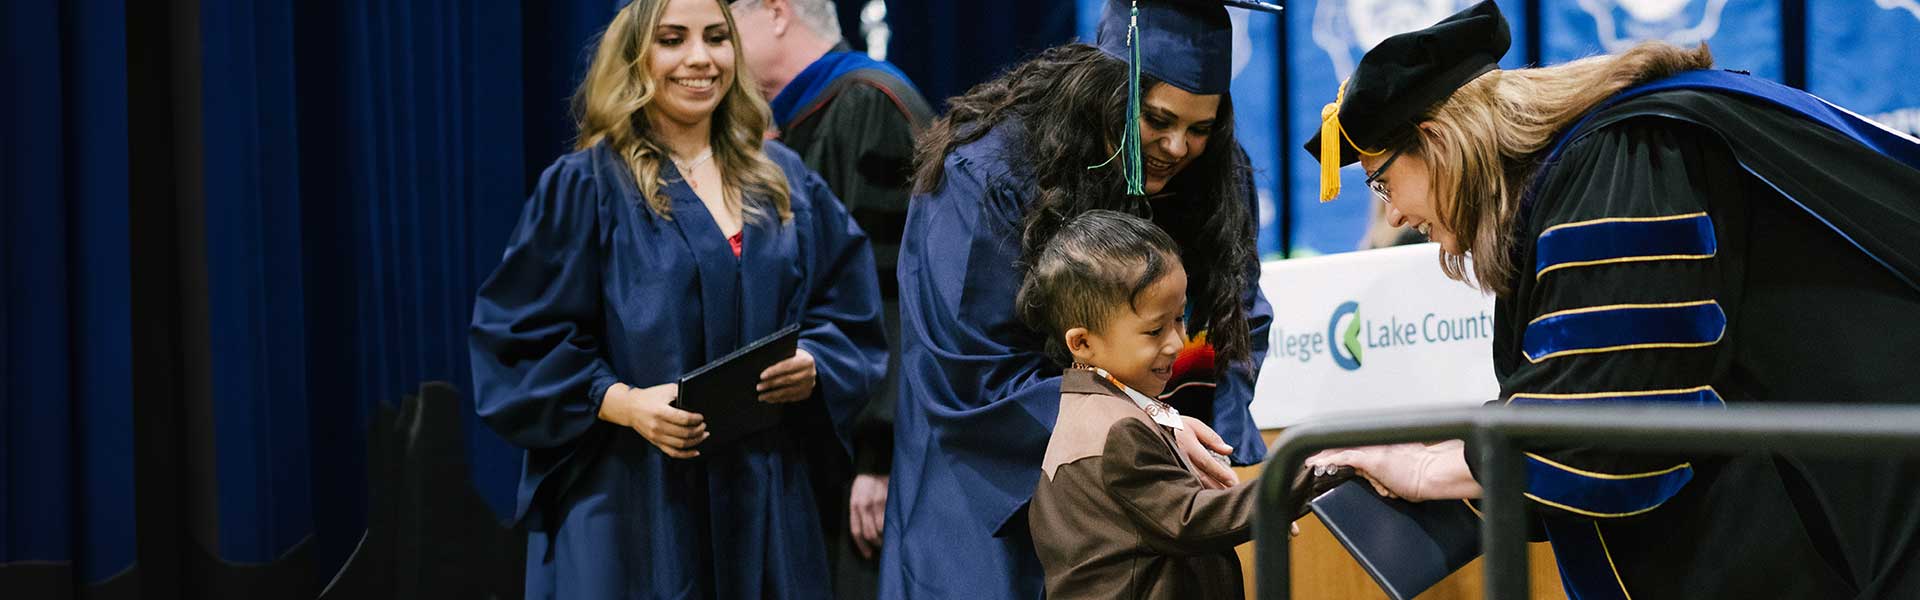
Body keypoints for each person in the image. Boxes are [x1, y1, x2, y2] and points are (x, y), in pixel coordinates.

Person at [1300, 2, 1920, 598]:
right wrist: (1438, 464)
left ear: (1437, 140)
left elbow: (1608, 410)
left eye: (1382, 181)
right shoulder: (1575, 182)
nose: (1395, 214)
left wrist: (1432, 467)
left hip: (1834, 537)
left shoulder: (1623, 159)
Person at [467, 0, 888, 596]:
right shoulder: (588, 186)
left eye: (716, 37)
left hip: (763, 497)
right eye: (672, 38)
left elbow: (847, 308)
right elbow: (516, 338)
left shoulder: (783, 180)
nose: (700, 58)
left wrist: (815, 363)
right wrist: (622, 402)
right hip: (632, 498)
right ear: (637, 57)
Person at [880, 1, 1280, 597]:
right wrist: (1152, 427)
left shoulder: (1213, 176)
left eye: (1201, 128)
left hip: (1157, 508)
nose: (1177, 146)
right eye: (1156, 119)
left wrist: (1196, 448)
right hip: (998, 511)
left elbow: (1234, 320)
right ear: (1108, 89)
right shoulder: (988, 173)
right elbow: (971, 375)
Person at [731, 1, 934, 594]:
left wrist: (879, 452)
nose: (713, 50)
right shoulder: (790, 125)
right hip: (816, 451)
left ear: (775, 12)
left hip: (862, 458)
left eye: (723, 27)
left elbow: (895, 293)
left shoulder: (868, 106)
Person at [1019, 210, 1260, 600]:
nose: (1177, 343)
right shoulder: (1117, 429)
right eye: (1154, 330)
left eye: (1179, 319)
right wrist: (1304, 479)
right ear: (1081, 342)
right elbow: (1189, 520)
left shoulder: (1103, 407)